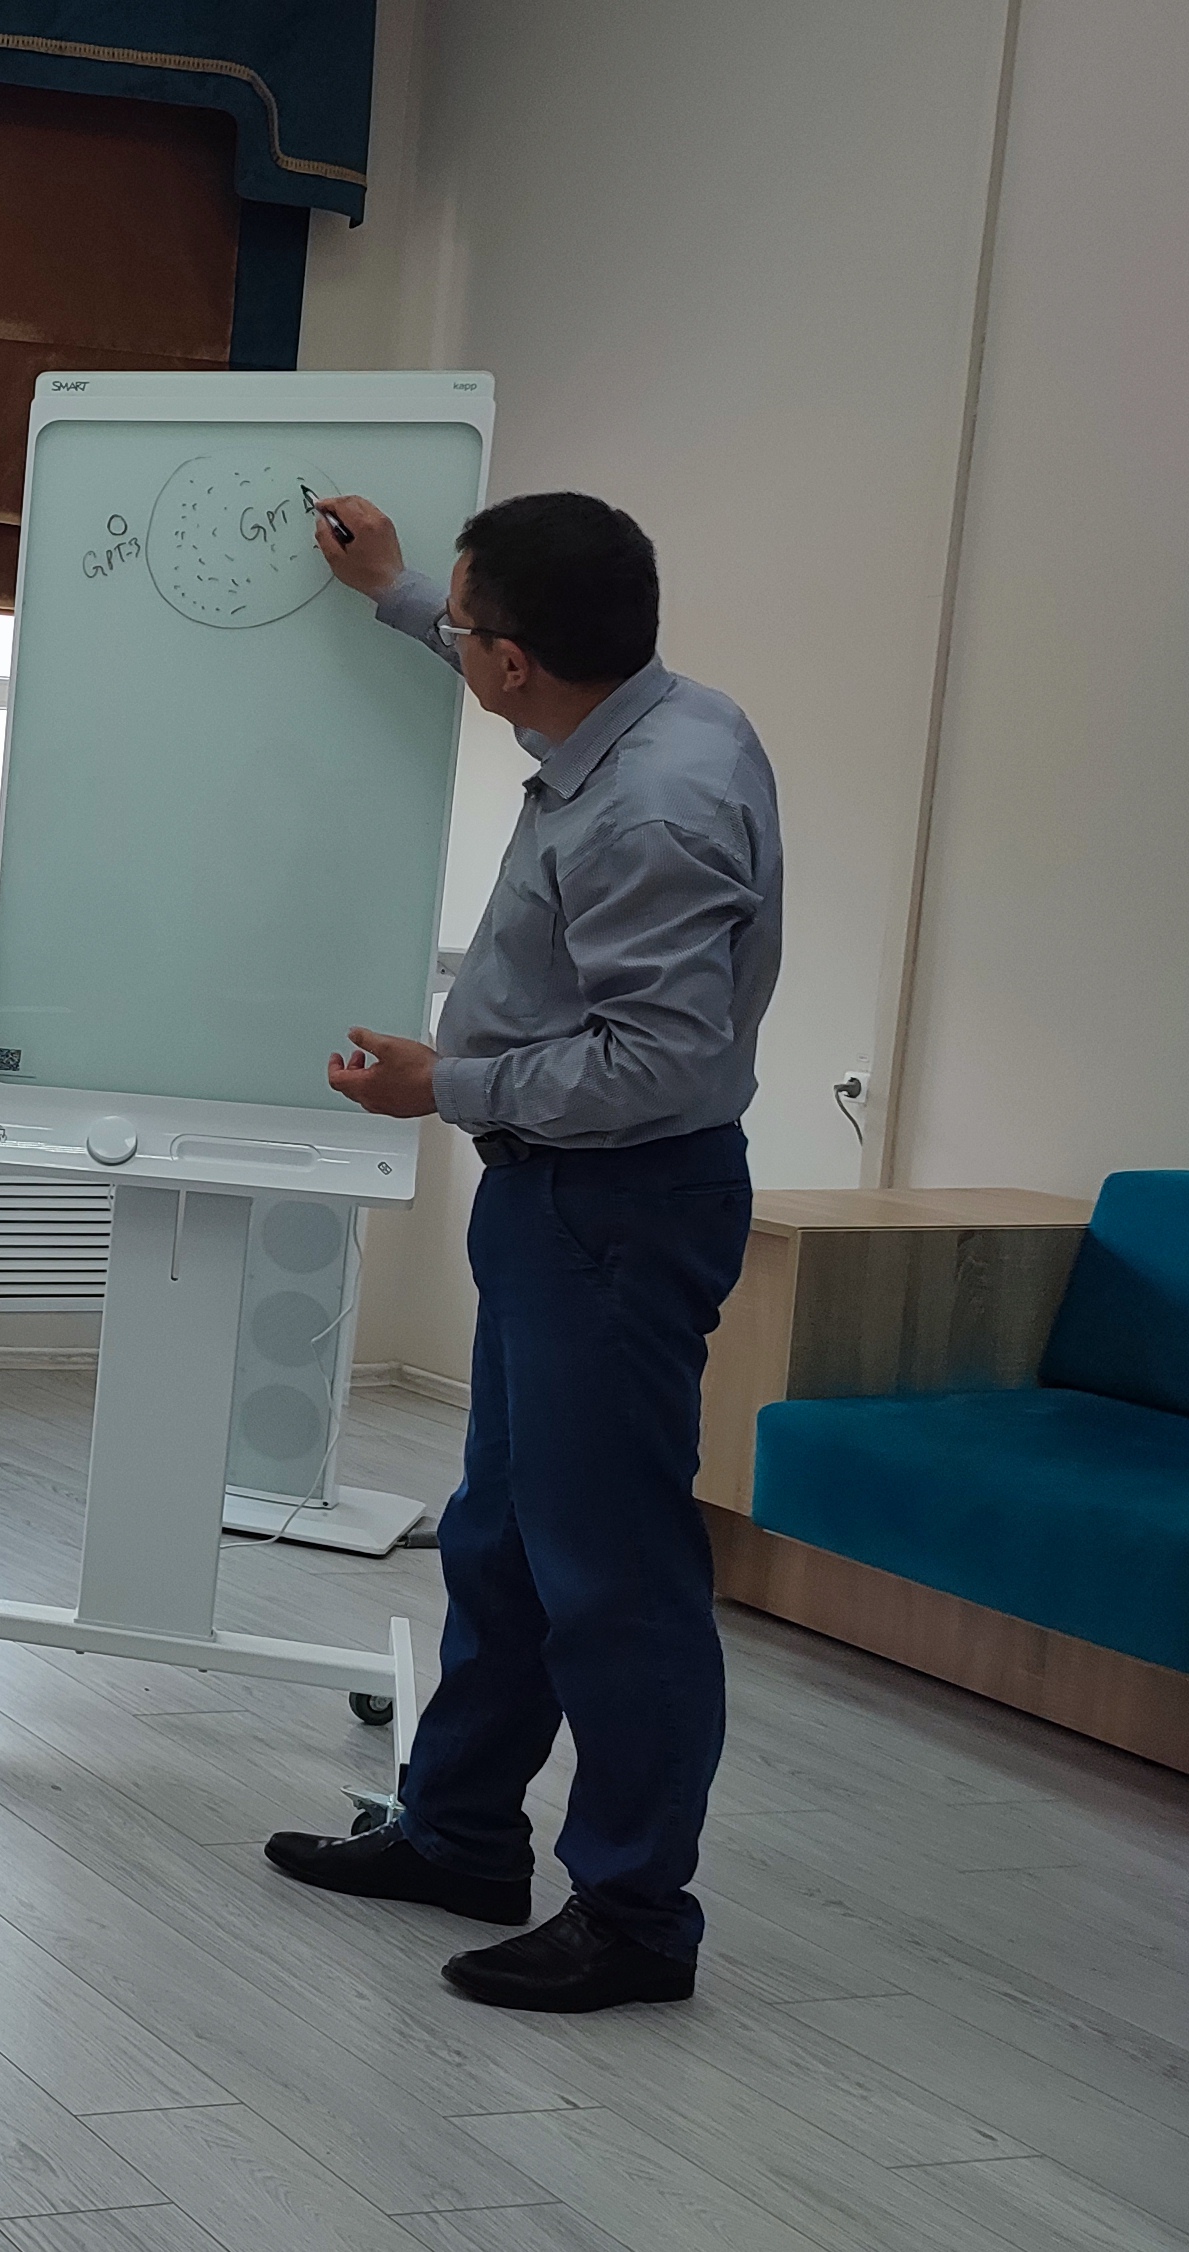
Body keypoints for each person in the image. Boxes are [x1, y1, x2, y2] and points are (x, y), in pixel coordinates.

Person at [262, 491, 783, 2014]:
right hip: (558, 1202)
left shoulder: (654, 808)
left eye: (464, 620)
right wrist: (394, 590)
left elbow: (657, 1063)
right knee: (498, 1535)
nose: (457, 635)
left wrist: (448, 1085)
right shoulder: (656, 711)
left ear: (514, 662)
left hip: (617, 1208)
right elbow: (511, 662)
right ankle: (461, 1833)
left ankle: (633, 1916)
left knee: (612, 1574)